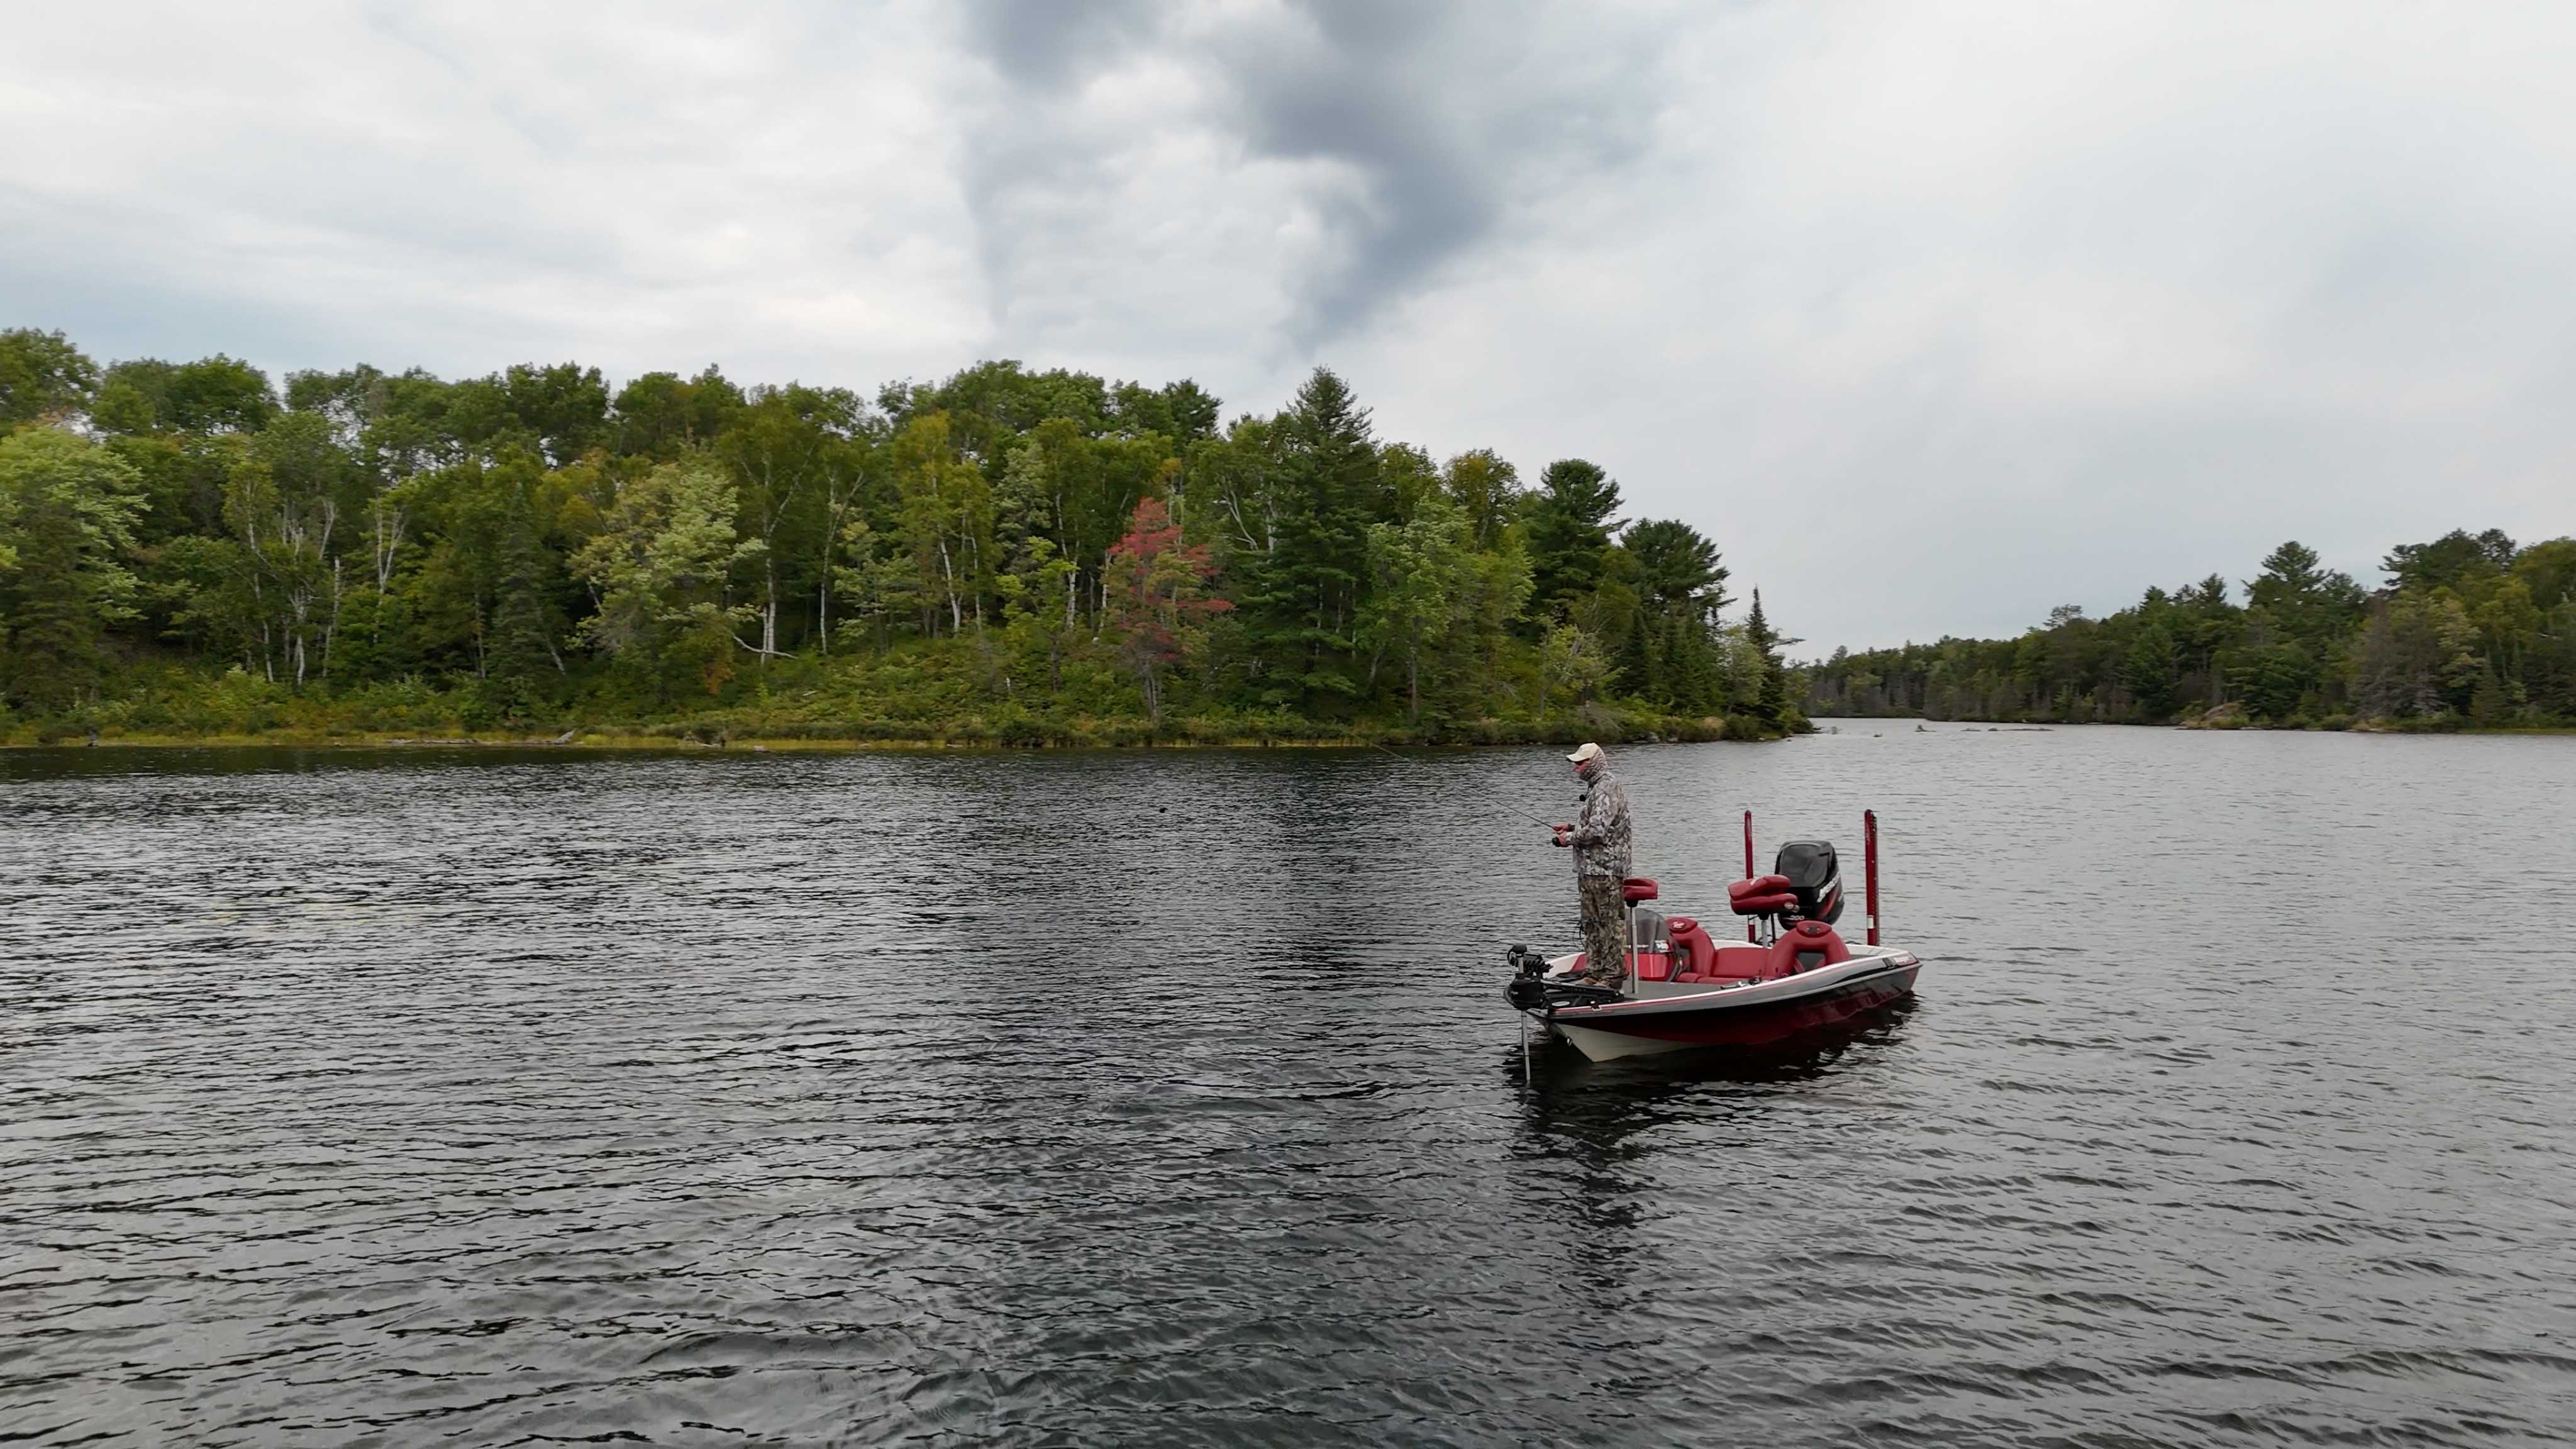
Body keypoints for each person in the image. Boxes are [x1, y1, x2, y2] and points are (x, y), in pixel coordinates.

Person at [1550, 741, 1632, 987]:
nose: (1576, 768)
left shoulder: (1607, 786)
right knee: (1591, 923)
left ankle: (1613, 975)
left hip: (1606, 869)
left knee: (1609, 923)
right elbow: (1600, 823)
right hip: (1589, 869)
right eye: (1575, 764)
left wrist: (1567, 840)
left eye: (1580, 763)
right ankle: (1594, 972)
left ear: (1594, 763)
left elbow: (1598, 831)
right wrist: (1572, 827)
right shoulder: (1595, 788)